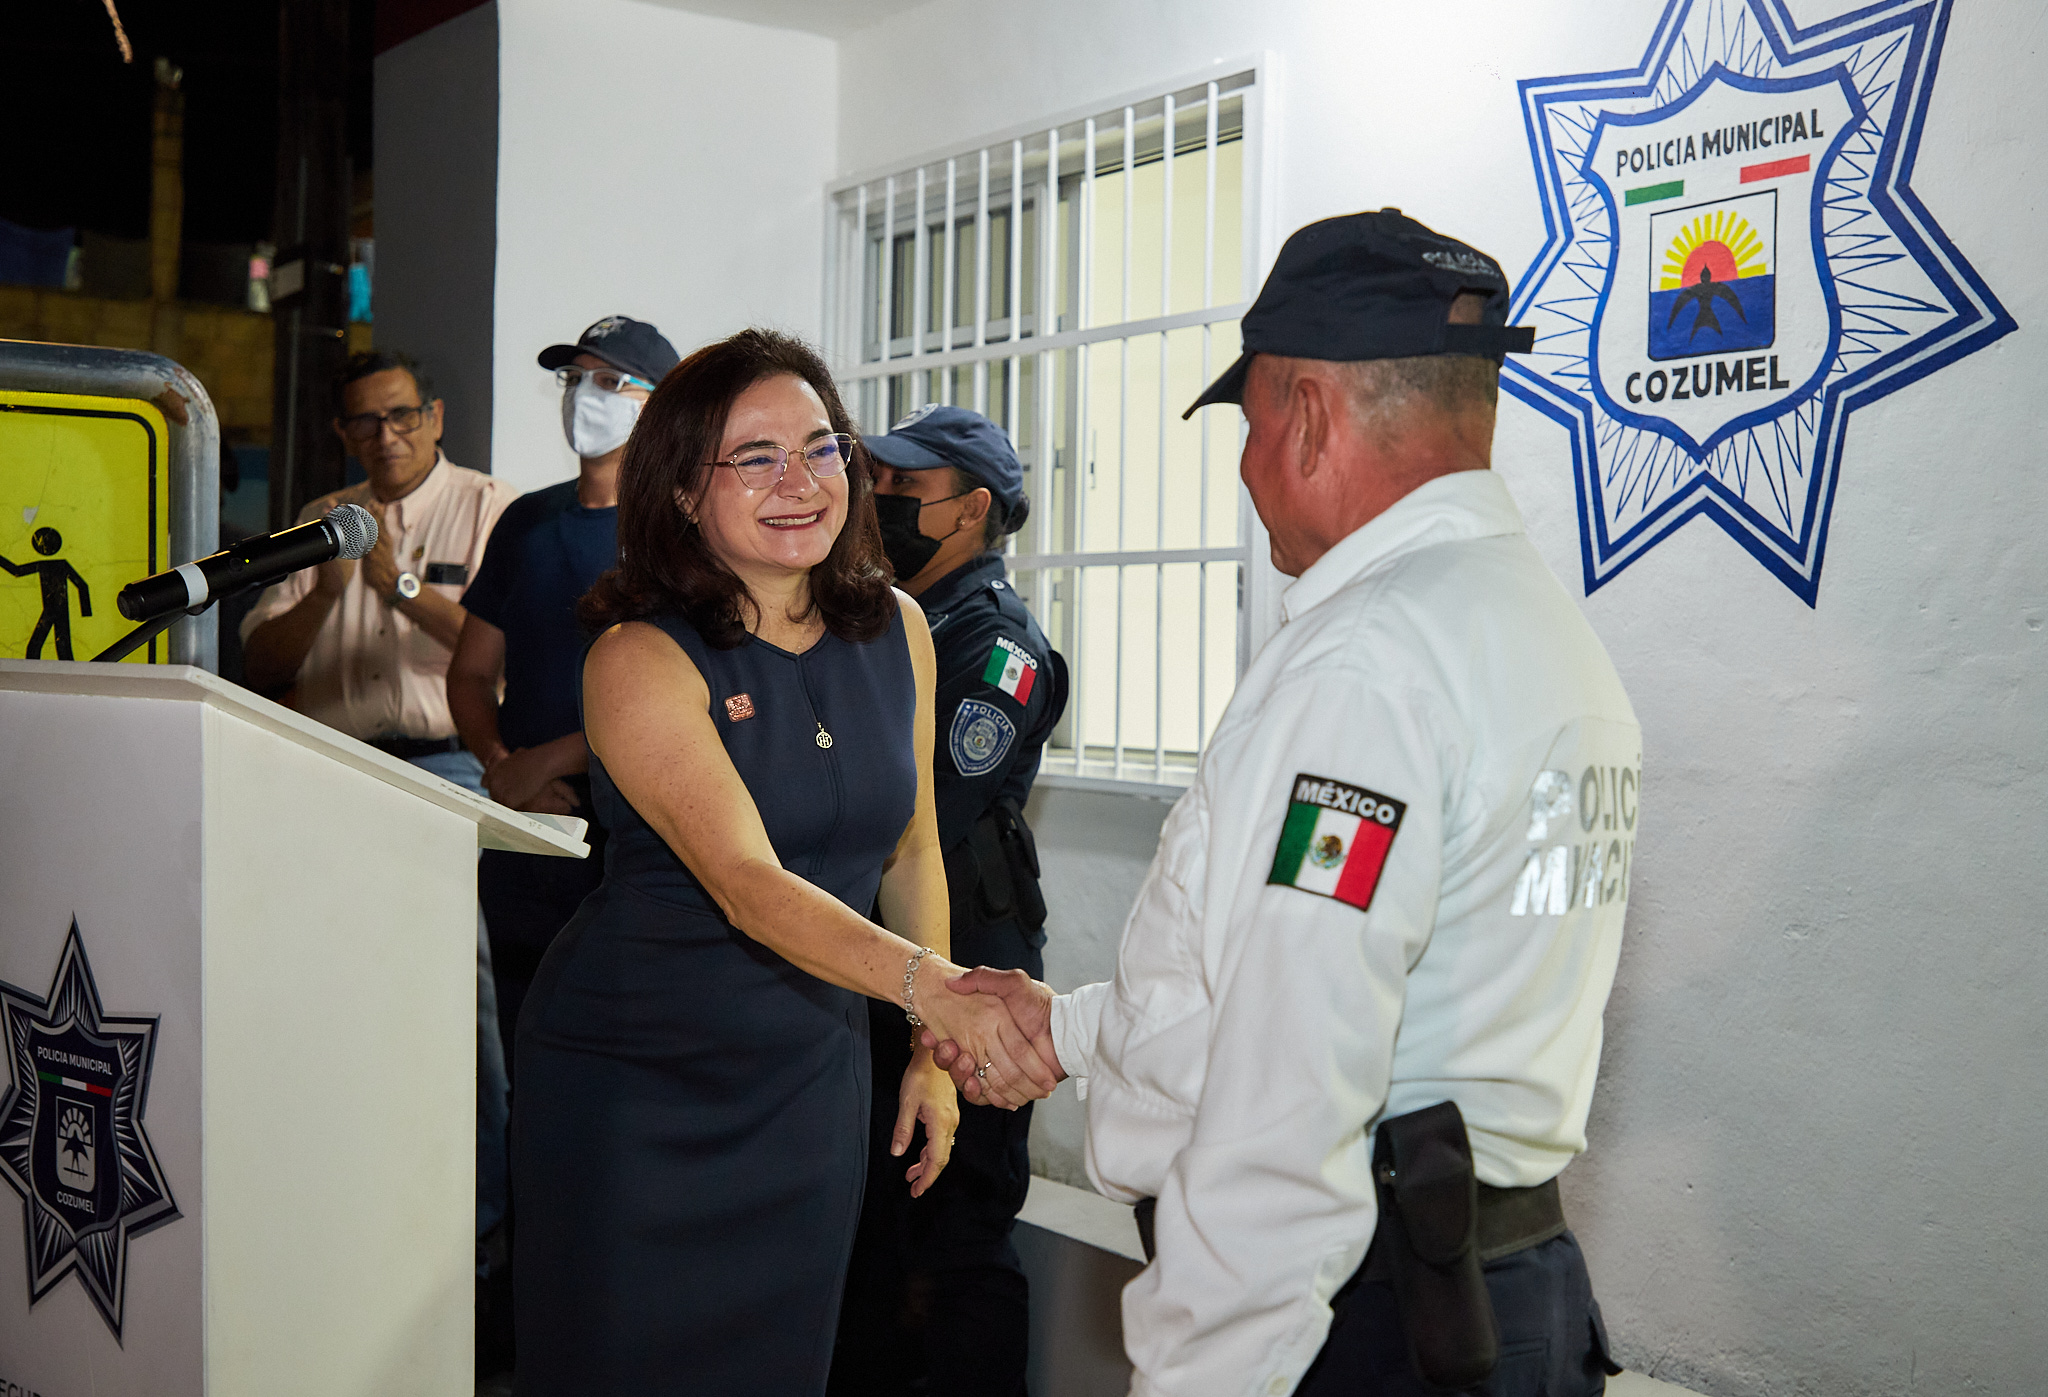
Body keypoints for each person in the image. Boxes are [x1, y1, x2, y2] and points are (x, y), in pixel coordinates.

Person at [929, 210, 1639, 1397]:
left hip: (1353, 1318)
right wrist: (1066, 1028)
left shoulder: (1365, 666)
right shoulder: (1536, 633)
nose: (1251, 465)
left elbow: (1285, 1094)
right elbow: (1277, 990)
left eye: (1249, 424)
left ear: (1304, 414)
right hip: (1491, 1290)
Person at [510, 328, 1059, 1397]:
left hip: (807, 1079)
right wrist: (937, 990)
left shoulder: (897, 626)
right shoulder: (637, 656)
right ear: (678, 487)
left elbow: (909, 848)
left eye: (820, 447)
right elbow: (745, 882)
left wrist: (926, 1052)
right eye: (753, 457)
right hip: (638, 1085)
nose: (799, 482)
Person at [239, 346, 518, 1266]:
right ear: (343, 433)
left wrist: (397, 582)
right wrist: (329, 585)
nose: (385, 436)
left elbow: (506, 655)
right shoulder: (324, 517)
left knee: (455, 995)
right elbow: (263, 666)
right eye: (365, 422)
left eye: (401, 416)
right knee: (325, 993)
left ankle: (480, 1236)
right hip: (328, 770)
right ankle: (339, 1208)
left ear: (436, 416)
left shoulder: (490, 509)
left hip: (450, 771)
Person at [448, 313, 677, 1381]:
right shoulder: (530, 524)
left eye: (609, 380)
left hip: (627, 848)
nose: (584, 395)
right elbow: (469, 668)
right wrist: (502, 758)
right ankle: (512, 1300)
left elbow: (703, 696)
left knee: (613, 1083)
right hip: (519, 844)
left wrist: (556, 756)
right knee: (512, 1073)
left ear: (654, 405)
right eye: (575, 377)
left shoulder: (673, 534)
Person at [828, 405, 1066, 1397]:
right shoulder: (883, 620)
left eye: (902, 486)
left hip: (964, 975)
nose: (877, 499)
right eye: (875, 478)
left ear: (971, 509)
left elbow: (911, 803)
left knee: (954, 1244)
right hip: (878, 970)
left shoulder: (994, 648)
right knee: (877, 1244)